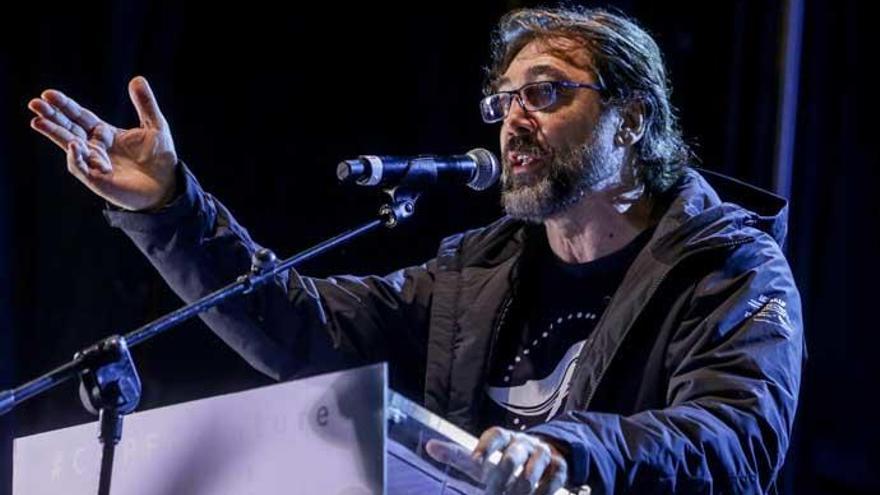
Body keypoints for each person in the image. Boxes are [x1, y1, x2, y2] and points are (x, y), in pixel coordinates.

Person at [27, 7, 803, 495]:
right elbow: (299, 327)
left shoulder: (727, 269)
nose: (512, 120)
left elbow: (732, 439)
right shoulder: (478, 269)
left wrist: (570, 449)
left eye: (545, 92)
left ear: (631, 120)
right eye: (503, 100)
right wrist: (170, 205)